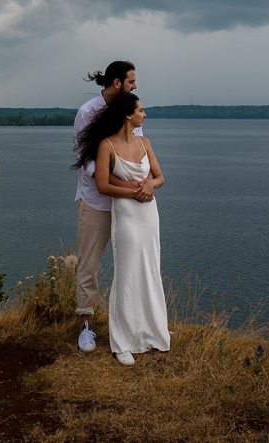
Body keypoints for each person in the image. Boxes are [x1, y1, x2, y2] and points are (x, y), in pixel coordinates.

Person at [74, 91, 169, 365]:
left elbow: (160, 176)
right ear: (128, 115)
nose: (145, 114)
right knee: (127, 272)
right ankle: (123, 340)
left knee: (149, 269)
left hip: (149, 213)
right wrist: (134, 192)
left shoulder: (145, 142)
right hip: (126, 214)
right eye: (141, 110)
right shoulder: (106, 145)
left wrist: (151, 185)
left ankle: (153, 330)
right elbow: (103, 185)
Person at [73, 61, 149, 354]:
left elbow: (139, 152)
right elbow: (86, 161)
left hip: (128, 204)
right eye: (131, 81)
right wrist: (120, 182)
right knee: (89, 265)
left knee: (132, 264)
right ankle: (86, 326)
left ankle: (136, 324)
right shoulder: (87, 112)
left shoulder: (132, 110)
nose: (135, 85)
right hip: (97, 201)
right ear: (116, 82)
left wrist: (145, 184)